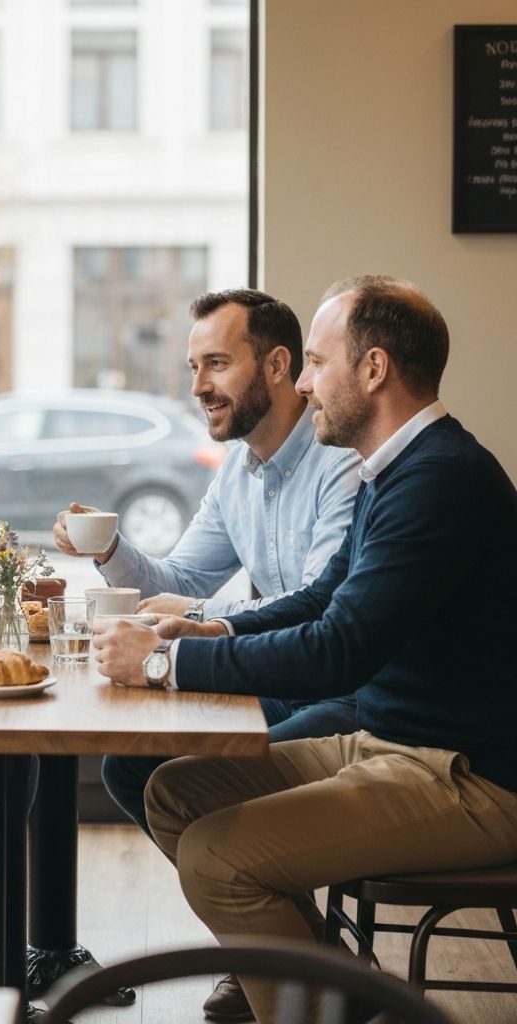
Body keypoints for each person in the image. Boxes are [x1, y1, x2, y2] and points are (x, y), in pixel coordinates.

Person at [94, 276, 517, 1024]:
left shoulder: (440, 481)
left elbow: (339, 650)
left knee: (215, 857)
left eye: (318, 364)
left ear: (375, 369)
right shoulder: (397, 472)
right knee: (174, 791)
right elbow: (327, 597)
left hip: (468, 779)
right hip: (391, 745)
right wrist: (213, 629)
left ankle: (320, 1009)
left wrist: (164, 664)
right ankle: (336, 990)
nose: (308, 385)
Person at [55, 288, 360, 1022]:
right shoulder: (241, 471)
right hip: (271, 674)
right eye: (194, 367)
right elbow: (183, 580)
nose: (198, 387)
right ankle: (287, 949)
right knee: (130, 765)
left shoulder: (341, 465)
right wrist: (112, 550)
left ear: (280, 365)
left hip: (342, 691)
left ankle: (285, 963)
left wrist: (191, 618)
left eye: (217, 364)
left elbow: (324, 606)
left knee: (197, 777)